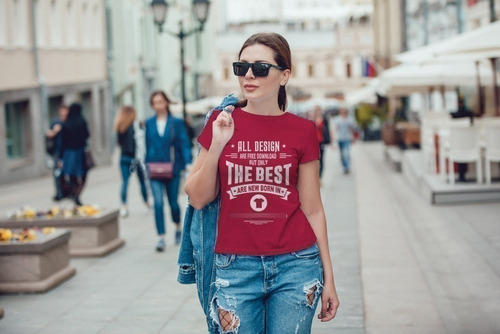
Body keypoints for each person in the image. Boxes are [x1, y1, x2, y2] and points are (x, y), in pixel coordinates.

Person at [184, 32, 339, 334]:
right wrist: (217, 145)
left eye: (261, 68)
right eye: (241, 68)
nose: (249, 75)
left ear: (284, 76)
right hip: (234, 269)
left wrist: (329, 278)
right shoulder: (220, 121)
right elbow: (197, 198)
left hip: (297, 266)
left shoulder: (303, 131)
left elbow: (313, 209)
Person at [145, 91, 192, 252]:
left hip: (173, 168)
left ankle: (178, 225)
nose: (158, 105)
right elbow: (146, 145)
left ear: (166, 103)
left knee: (173, 203)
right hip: (154, 168)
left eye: (160, 101)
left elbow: (184, 143)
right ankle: (161, 237)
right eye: (155, 102)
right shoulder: (149, 123)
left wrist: (188, 164)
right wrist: (145, 164)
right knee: (158, 203)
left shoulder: (176, 123)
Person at [113, 105, 150, 218]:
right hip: (135, 158)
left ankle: (124, 206)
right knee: (141, 181)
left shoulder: (120, 127)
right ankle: (146, 203)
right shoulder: (136, 125)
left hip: (124, 157)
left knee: (124, 182)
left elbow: (119, 143)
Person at [59, 103, 90, 206]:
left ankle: (74, 193)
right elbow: (87, 135)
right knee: (83, 174)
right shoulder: (82, 122)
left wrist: (61, 158)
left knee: (71, 176)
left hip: (68, 153)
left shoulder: (66, 124)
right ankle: (77, 194)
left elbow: (62, 142)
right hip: (79, 152)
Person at [45, 104, 69, 201]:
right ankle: (59, 192)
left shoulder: (69, 122)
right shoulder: (56, 122)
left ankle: (68, 191)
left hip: (67, 152)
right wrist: (55, 131)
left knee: (67, 172)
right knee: (57, 173)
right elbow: (48, 134)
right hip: (57, 152)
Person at [332, 108, 356, 174]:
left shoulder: (349, 119)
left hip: (347, 138)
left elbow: (351, 129)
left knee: (347, 153)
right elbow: (335, 129)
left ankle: (347, 167)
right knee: (342, 154)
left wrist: (352, 137)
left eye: (344, 112)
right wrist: (333, 139)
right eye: (342, 112)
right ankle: (344, 166)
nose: (343, 113)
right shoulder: (337, 119)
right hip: (340, 138)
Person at [309, 105, 330, 179]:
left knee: (321, 160)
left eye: (318, 110)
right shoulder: (311, 119)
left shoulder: (324, 119)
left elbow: (327, 130)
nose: (317, 111)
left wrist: (329, 140)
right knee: (313, 160)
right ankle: (315, 177)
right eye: (315, 110)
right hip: (313, 142)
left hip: (321, 141)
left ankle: (320, 177)